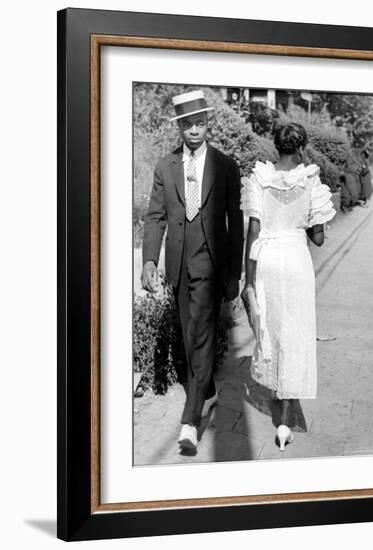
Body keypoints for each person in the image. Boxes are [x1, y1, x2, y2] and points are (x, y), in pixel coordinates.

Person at [141, 90, 244, 452]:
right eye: (188, 125)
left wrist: (234, 274)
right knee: (189, 337)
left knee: (200, 335)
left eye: (199, 123)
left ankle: (190, 422)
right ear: (180, 127)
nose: (194, 130)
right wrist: (149, 261)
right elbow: (154, 217)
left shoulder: (226, 166)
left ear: (207, 125)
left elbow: (235, 220)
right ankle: (210, 390)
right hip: (179, 266)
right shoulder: (164, 166)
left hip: (212, 266)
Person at [241, 123, 335, 451]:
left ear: (275, 145)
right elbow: (319, 238)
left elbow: (253, 229)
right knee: (296, 333)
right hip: (296, 260)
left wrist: (248, 278)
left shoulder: (258, 178)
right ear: (301, 146)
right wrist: (307, 223)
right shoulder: (310, 180)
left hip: (266, 259)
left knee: (271, 330)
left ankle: (277, 392)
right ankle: (284, 419)